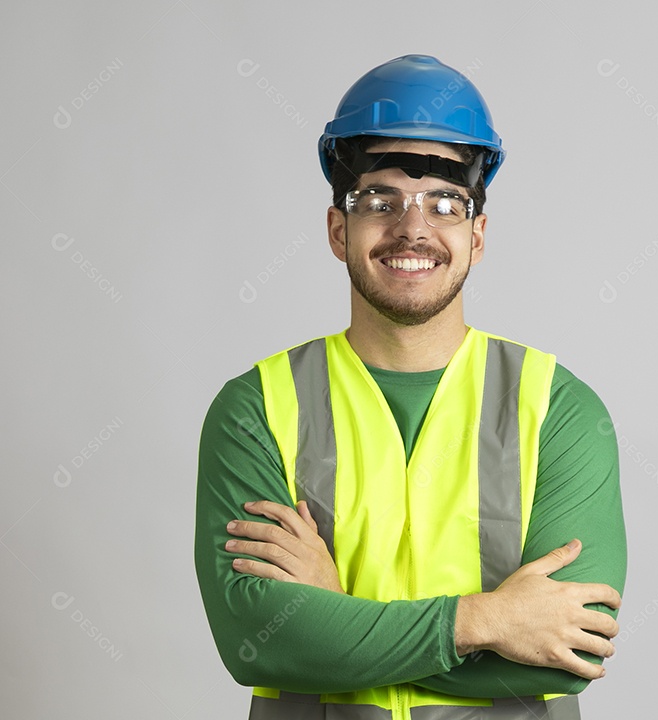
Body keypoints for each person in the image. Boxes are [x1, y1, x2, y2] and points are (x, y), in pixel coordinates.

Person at [194, 54, 627, 720]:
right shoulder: (255, 409)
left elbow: (573, 654)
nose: (412, 228)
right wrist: (485, 621)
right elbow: (256, 644)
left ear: (477, 236)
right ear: (339, 230)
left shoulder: (559, 409)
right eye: (379, 200)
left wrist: (336, 619)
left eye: (445, 202)